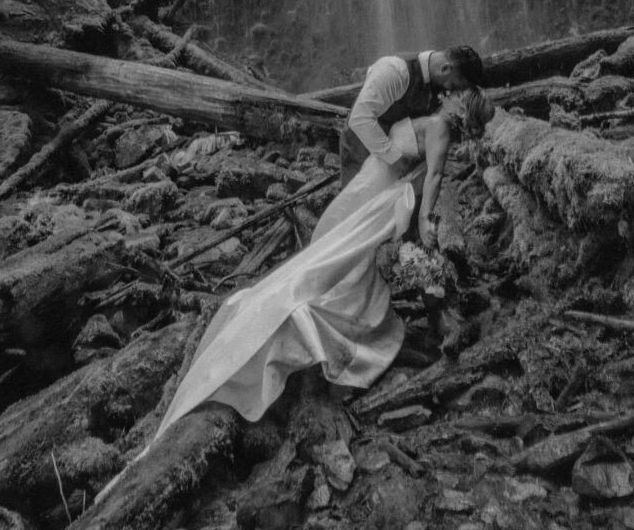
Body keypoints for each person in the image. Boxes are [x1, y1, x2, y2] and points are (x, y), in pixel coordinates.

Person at [140, 86, 495, 440]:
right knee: (348, 262)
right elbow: (432, 176)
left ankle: (361, 314)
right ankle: (342, 329)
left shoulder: (428, 121)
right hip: (379, 196)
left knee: (340, 255)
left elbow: (411, 163)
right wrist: (423, 220)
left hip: (369, 184)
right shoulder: (440, 129)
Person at [340, 45, 484, 191]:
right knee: (358, 209)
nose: (450, 91)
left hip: (399, 157)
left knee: (400, 205)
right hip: (362, 149)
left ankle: (432, 215)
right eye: (452, 85)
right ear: (445, 69)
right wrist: (394, 158)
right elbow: (359, 118)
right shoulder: (394, 71)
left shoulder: (437, 84)